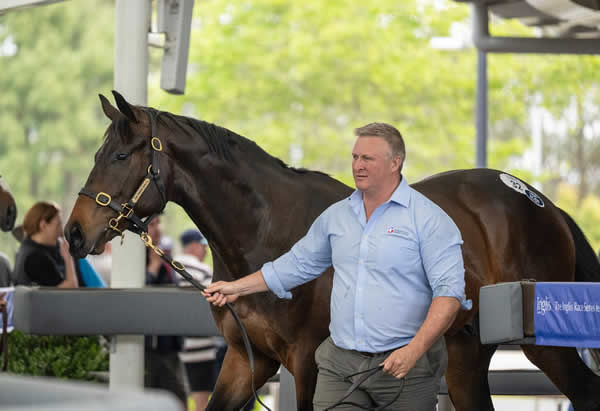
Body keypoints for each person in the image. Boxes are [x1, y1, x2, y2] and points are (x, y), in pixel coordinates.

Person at [204, 123, 470, 410]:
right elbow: (296, 264)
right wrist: (235, 287)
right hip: (341, 365)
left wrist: (413, 351)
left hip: (407, 366)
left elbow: (450, 295)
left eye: (368, 158)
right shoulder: (337, 216)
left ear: (396, 163)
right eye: (355, 157)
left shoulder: (430, 220)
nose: (358, 165)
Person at [175, 229, 223, 411]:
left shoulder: (171, 266)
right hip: (202, 347)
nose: (205, 251)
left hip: (175, 346)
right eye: (203, 246)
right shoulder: (203, 270)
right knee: (202, 403)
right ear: (194, 246)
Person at [144, 216, 187, 407]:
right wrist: (152, 269)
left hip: (169, 345)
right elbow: (137, 299)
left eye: (159, 223)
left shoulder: (165, 258)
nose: (157, 229)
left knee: (179, 399)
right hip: (147, 348)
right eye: (152, 224)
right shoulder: (136, 259)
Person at [13, 201, 78, 288]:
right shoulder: (36, 258)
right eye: (58, 225)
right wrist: (68, 258)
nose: (61, 232)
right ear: (43, 225)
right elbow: (71, 289)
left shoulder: (26, 246)